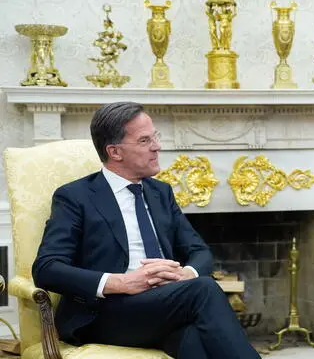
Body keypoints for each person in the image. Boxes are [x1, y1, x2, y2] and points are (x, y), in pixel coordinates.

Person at [32, 102, 260, 359]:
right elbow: (46, 268)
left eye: (155, 137)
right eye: (144, 140)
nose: (157, 146)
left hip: (163, 307)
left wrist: (186, 273)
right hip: (104, 313)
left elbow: (199, 251)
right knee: (204, 289)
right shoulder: (75, 197)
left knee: (194, 342)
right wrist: (121, 282)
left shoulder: (161, 192)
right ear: (115, 151)